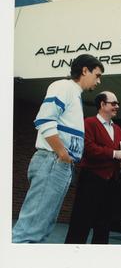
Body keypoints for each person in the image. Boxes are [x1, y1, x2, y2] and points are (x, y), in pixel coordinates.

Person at [12, 54, 104, 243]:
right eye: (97, 75)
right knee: (31, 230)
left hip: (59, 165)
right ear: (84, 70)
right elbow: (44, 120)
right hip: (53, 162)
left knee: (43, 228)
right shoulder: (64, 86)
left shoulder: (74, 93)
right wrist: (62, 153)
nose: (99, 81)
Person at [64, 91, 121, 244]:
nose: (117, 106)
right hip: (91, 180)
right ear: (102, 104)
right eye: (113, 103)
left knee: (104, 226)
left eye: (118, 104)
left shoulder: (119, 130)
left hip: (111, 183)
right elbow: (88, 148)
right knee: (81, 223)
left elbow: (119, 152)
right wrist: (115, 154)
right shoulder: (89, 123)